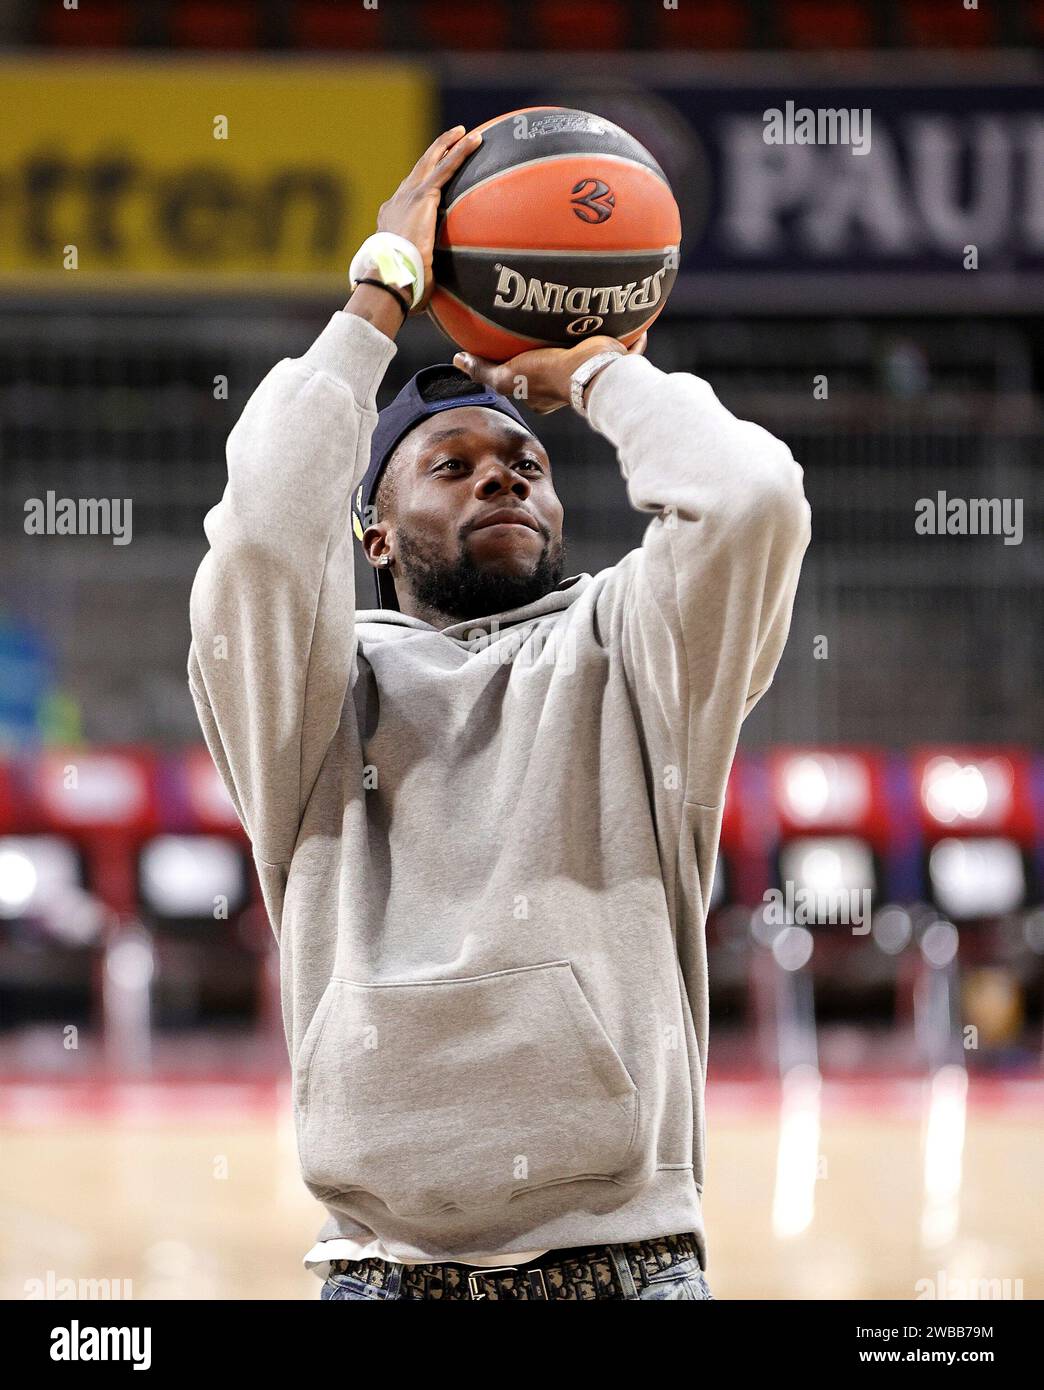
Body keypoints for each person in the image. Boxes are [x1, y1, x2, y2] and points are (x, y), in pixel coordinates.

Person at [188, 126, 811, 1301]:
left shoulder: (633, 653)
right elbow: (266, 529)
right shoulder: (312, 700)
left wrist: (593, 371)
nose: (500, 474)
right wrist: (379, 297)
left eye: (524, 462)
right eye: (451, 463)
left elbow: (751, 497)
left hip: (628, 1261)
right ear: (370, 530)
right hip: (383, 1270)